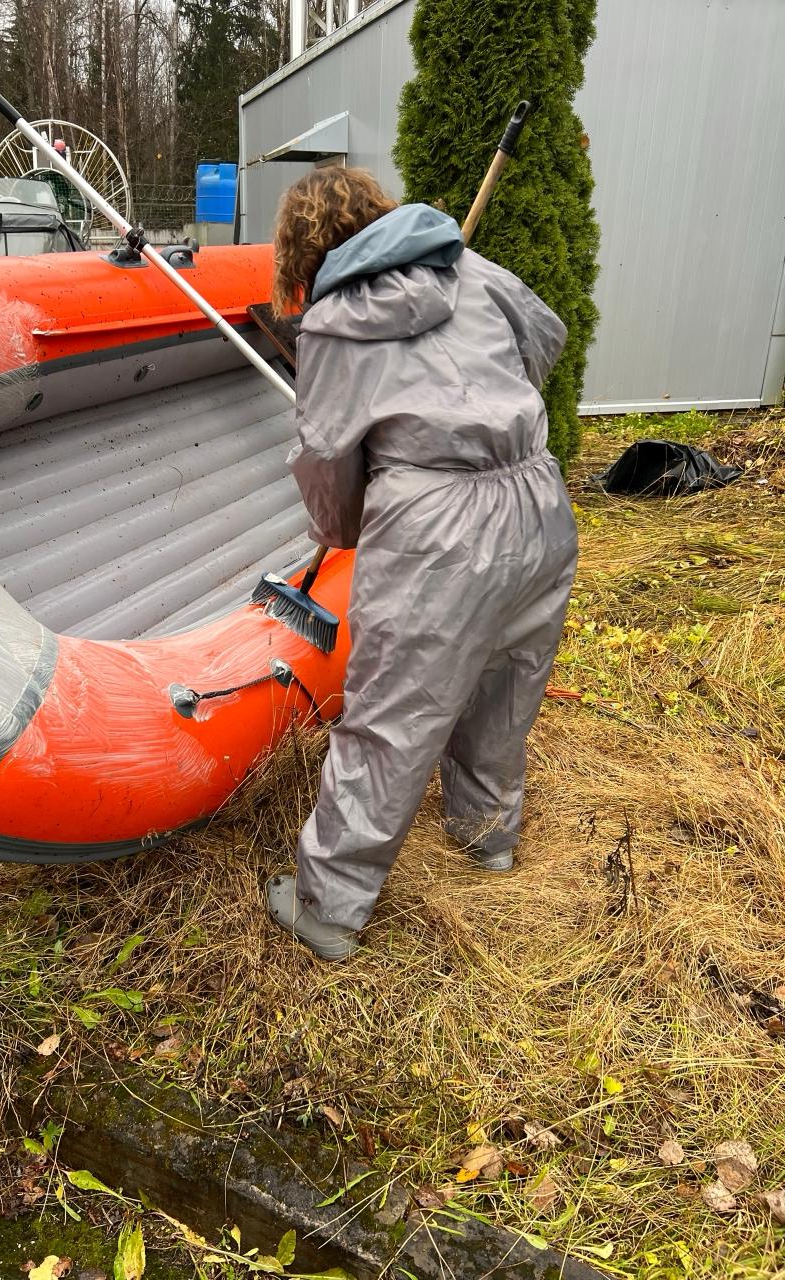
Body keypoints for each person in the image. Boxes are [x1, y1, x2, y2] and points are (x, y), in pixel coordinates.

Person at [264, 167, 578, 962]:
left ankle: (328, 908)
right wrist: (483, 408)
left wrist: (344, 525)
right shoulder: (469, 266)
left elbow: (327, 453)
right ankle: (485, 837)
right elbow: (544, 339)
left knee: (391, 715)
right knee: (506, 683)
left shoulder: (333, 324)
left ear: (303, 253)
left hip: (437, 529)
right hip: (537, 499)